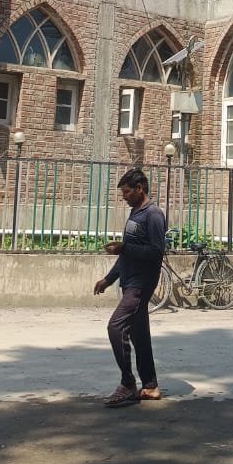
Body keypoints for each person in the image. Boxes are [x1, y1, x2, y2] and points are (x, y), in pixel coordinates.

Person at [93, 167, 166, 408]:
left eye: (126, 192)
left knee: (116, 327)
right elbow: (126, 255)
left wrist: (124, 248)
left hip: (141, 283)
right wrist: (108, 279)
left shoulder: (153, 215)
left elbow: (156, 252)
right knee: (139, 335)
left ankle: (127, 382)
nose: (124, 197)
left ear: (139, 188)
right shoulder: (135, 213)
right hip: (129, 281)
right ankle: (150, 387)